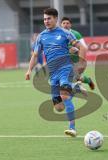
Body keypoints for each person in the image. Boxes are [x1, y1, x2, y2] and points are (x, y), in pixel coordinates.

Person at [25, 8, 87, 137]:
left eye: (49, 18)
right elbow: (35, 55)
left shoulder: (65, 33)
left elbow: (81, 47)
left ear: (55, 19)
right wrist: (29, 70)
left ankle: (72, 128)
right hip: (53, 73)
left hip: (66, 68)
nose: (46, 21)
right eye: (44, 19)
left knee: (64, 96)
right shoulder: (41, 36)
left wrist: (81, 62)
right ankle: (75, 88)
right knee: (59, 107)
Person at [61, 17, 95, 90]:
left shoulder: (76, 34)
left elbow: (84, 47)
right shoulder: (58, 35)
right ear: (61, 25)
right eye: (64, 23)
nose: (65, 25)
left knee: (77, 77)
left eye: (67, 23)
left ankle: (87, 81)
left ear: (70, 25)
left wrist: (76, 51)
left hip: (75, 60)